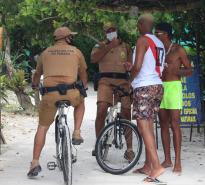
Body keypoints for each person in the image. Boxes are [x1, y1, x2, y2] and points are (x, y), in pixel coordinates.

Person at [27, 26, 88, 177]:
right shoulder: (76, 51)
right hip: (71, 92)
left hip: (50, 95)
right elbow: (83, 74)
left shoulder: (45, 53)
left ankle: (34, 162)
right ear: (68, 38)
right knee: (81, 102)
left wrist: (35, 85)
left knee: (42, 127)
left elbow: (37, 75)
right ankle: (76, 132)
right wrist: (84, 87)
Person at [125, 14, 165, 181]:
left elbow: (139, 66)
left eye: (137, 24)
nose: (136, 27)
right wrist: (132, 66)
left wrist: (130, 79)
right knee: (148, 125)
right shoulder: (159, 42)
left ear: (141, 24)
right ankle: (149, 165)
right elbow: (147, 64)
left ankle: (156, 167)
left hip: (145, 86)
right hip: (157, 86)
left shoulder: (142, 40)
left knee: (143, 126)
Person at [91, 22, 134, 161]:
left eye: (113, 30)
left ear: (117, 30)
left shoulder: (126, 46)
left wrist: (129, 66)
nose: (111, 32)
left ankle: (129, 149)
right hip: (105, 81)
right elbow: (93, 59)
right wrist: (109, 46)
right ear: (105, 33)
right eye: (108, 31)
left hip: (123, 81)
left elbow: (131, 65)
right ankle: (98, 143)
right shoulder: (99, 46)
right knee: (101, 109)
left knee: (127, 112)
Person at [155, 22, 192, 173]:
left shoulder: (178, 49)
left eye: (158, 33)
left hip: (174, 87)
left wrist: (176, 71)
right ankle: (167, 159)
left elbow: (189, 70)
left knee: (174, 124)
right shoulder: (156, 50)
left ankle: (178, 161)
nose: (156, 35)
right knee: (163, 123)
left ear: (166, 34)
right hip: (159, 87)